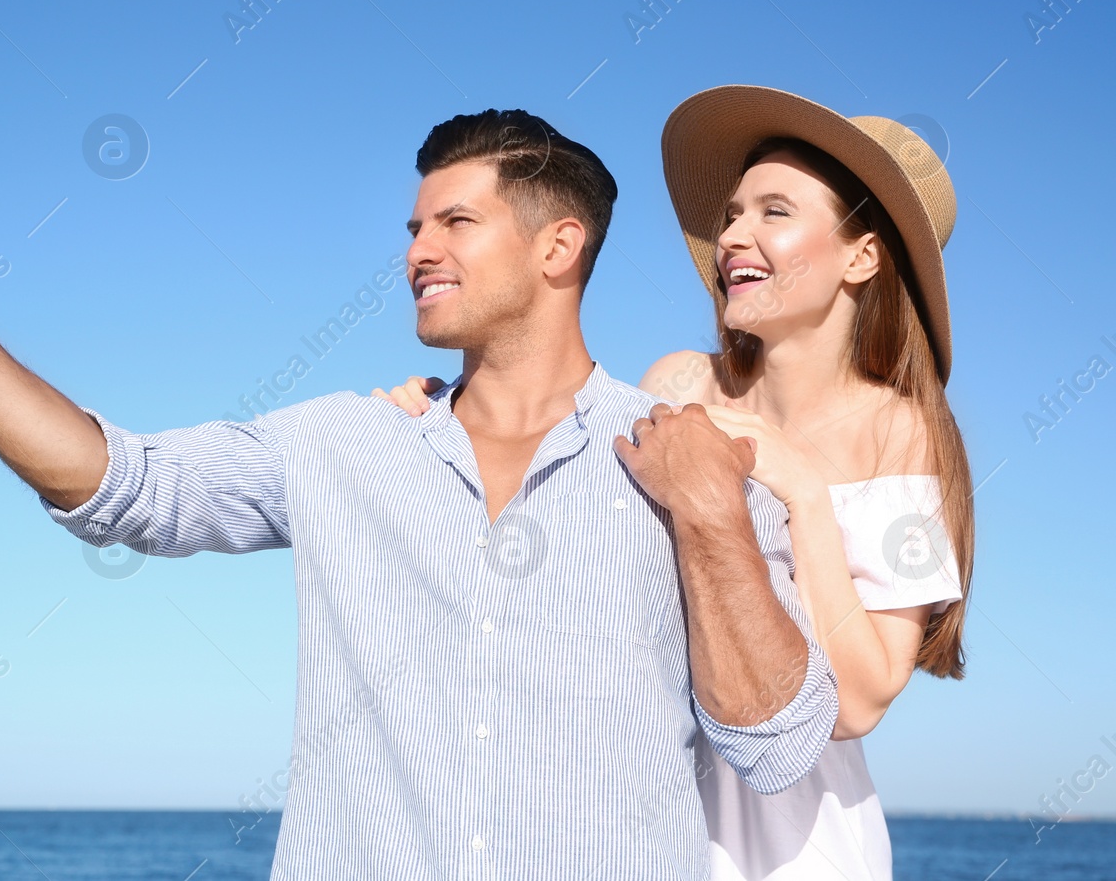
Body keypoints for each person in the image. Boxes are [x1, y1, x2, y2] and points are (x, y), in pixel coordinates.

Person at [0, 107, 838, 880]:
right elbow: (121, 482)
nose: (415, 249)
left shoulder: (688, 463)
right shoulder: (342, 443)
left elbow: (777, 743)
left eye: (454, 221)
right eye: (413, 223)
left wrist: (708, 514)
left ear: (557, 246)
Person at [375, 86, 971, 880]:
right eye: (731, 213)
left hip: (796, 850)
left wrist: (804, 492)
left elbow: (858, 701)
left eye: (774, 212)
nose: (733, 235)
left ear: (861, 255)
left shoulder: (901, 430)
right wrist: (448, 418)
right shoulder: (681, 381)